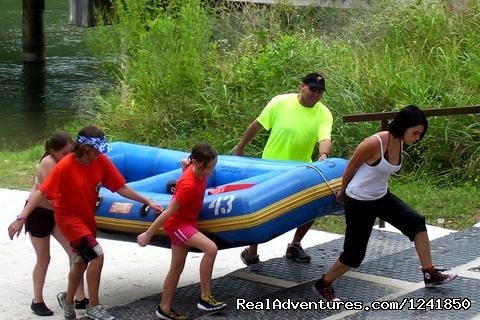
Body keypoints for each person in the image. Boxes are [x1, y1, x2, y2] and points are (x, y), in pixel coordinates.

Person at [9, 125, 163, 320]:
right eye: (96, 150)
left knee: (80, 261)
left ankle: (67, 300)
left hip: (86, 218)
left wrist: (147, 201)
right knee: (97, 255)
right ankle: (93, 305)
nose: (99, 154)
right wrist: (21, 218)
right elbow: (42, 192)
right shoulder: (66, 165)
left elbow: (120, 187)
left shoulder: (101, 161)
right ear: (84, 148)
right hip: (68, 219)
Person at [313, 105, 457, 302]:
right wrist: (343, 192)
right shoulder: (374, 143)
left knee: (416, 222)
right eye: (415, 133)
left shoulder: (399, 141)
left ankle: (429, 273)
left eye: (419, 135)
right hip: (359, 201)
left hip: (381, 196)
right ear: (403, 126)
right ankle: (323, 284)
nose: (416, 138)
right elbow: (352, 166)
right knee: (353, 256)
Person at [231, 72, 333, 265]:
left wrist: (323, 156)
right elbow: (258, 124)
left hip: (300, 168)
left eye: (320, 91)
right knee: (261, 210)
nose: (315, 94)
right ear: (301, 86)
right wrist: (241, 146)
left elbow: (325, 137)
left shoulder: (323, 112)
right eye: (313, 89)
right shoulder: (280, 102)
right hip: (271, 166)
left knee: (312, 206)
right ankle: (252, 251)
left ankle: (295, 245)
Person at [137, 142, 226, 320]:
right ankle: (205, 297)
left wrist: (184, 165)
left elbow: (185, 162)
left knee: (176, 268)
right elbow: (169, 211)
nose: (211, 171)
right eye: (209, 167)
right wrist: (148, 234)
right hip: (178, 226)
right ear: (199, 165)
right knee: (210, 248)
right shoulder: (188, 185)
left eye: (213, 166)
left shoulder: (193, 168)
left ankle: (164, 308)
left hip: (188, 223)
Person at [16, 131, 89, 316]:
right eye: (64, 153)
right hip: (39, 213)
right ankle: (37, 300)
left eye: (71, 151)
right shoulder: (48, 163)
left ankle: (78, 297)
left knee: (76, 254)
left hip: (57, 215)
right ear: (53, 151)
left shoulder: (70, 160)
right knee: (44, 257)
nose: (69, 155)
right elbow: (53, 195)